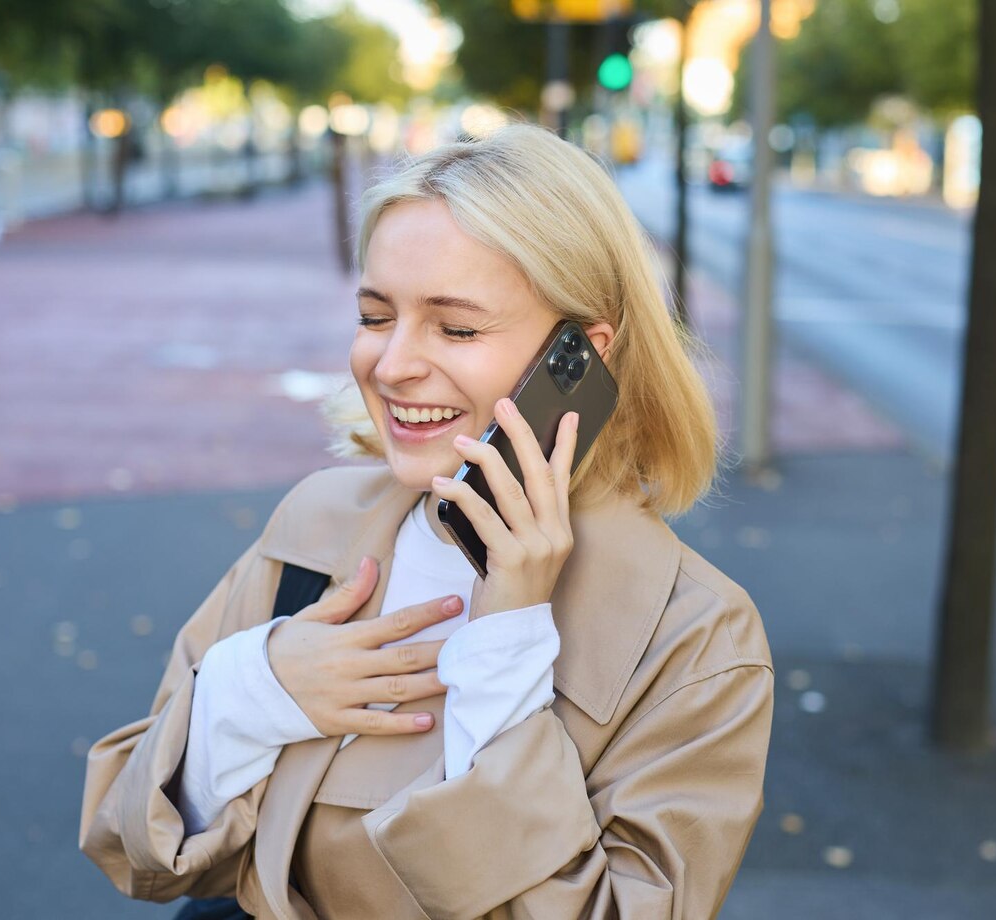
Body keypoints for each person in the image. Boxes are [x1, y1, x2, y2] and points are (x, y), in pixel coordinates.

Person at [79, 124, 774, 919]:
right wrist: (253, 691)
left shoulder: (693, 637)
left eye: (456, 327)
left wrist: (508, 649)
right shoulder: (315, 525)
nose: (393, 363)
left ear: (582, 354)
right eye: (377, 316)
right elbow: (130, 846)